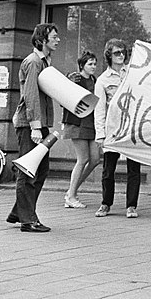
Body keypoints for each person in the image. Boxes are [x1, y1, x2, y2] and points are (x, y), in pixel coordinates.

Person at [6, 23, 60, 233]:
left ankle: (20, 211)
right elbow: (30, 95)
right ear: (42, 39)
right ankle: (27, 220)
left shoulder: (44, 62)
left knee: (41, 169)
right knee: (29, 171)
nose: (57, 40)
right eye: (54, 37)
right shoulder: (33, 62)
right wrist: (35, 127)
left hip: (39, 123)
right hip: (31, 124)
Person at [94, 39, 141, 219]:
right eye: (116, 53)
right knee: (108, 170)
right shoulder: (103, 80)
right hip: (112, 128)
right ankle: (106, 203)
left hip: (131, 127)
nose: (121, 56)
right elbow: (99, 109)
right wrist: (100, 134)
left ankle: (131, 205)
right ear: (109, 55)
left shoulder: (132, 74)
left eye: (123, 52)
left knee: (134, 168)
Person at [62, 51, 100, 209]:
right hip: (77, 123)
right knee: (83, 159)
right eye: (90, 64)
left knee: (95, 159)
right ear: (82, 66)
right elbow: (64, 96)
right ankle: (71, 196)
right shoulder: (76, 78)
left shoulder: (95, 80)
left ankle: (72, 191)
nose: (93, 66)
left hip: (92, 123)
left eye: (95, 63)